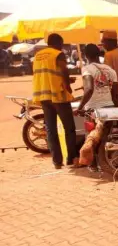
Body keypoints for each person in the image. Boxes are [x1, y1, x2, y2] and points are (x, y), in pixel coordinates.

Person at [32, 33, 78, 169]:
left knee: (51, 129)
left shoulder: (38, 56)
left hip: (44, 96)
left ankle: (56, 161)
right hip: (58, 95)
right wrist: (68, 85)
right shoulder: (58, 54)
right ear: (58, 43)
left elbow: (46, 74)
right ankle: (71, 158)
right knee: (69, 128)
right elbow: (63, 70)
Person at [76, 44, 118, 112]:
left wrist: (79, 108)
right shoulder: (111, 70)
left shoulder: (87, 69)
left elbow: (89, 89)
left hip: (93, 108)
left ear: (86, 56)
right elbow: (115, 94)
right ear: (98, 54)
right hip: (110, 106)